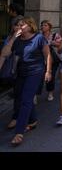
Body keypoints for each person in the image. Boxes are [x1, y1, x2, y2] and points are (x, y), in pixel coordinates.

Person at [0, 17, 52, 147]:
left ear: (30, 26)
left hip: (35, 72)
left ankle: (19, 132)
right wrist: (12, 38)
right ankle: (32, 120)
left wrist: (48, 71)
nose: (19, 27)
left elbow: (48, 54)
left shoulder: (39, 38)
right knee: (19, 96)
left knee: (26, 99)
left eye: (22, 25)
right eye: (18, 25)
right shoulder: (17, 40)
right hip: (21, 72)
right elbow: (4, 53)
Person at [40, 20, 62, 102]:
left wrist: (52, 42)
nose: (43, 27)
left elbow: (61, 44)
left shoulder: (54, 35)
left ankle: (50, 93)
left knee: (51, 76)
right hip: (41, 60)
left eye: (45, 25)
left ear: (49, 27)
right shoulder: (39, 36)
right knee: (40, 77)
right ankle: (35, 94)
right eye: (42, 25)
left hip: (53, 60)